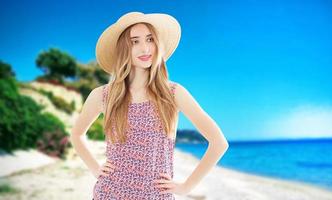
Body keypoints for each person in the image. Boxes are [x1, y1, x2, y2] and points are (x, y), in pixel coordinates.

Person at [70, 11, 229, 200]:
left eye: (150, 39)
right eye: (135, 41)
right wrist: (96, 169)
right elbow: (76, 135)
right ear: (123, 48)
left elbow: (219, 143)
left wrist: (186, 187)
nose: (145, 49)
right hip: (109, 193)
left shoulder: (173, 93)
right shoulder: (103, 95)